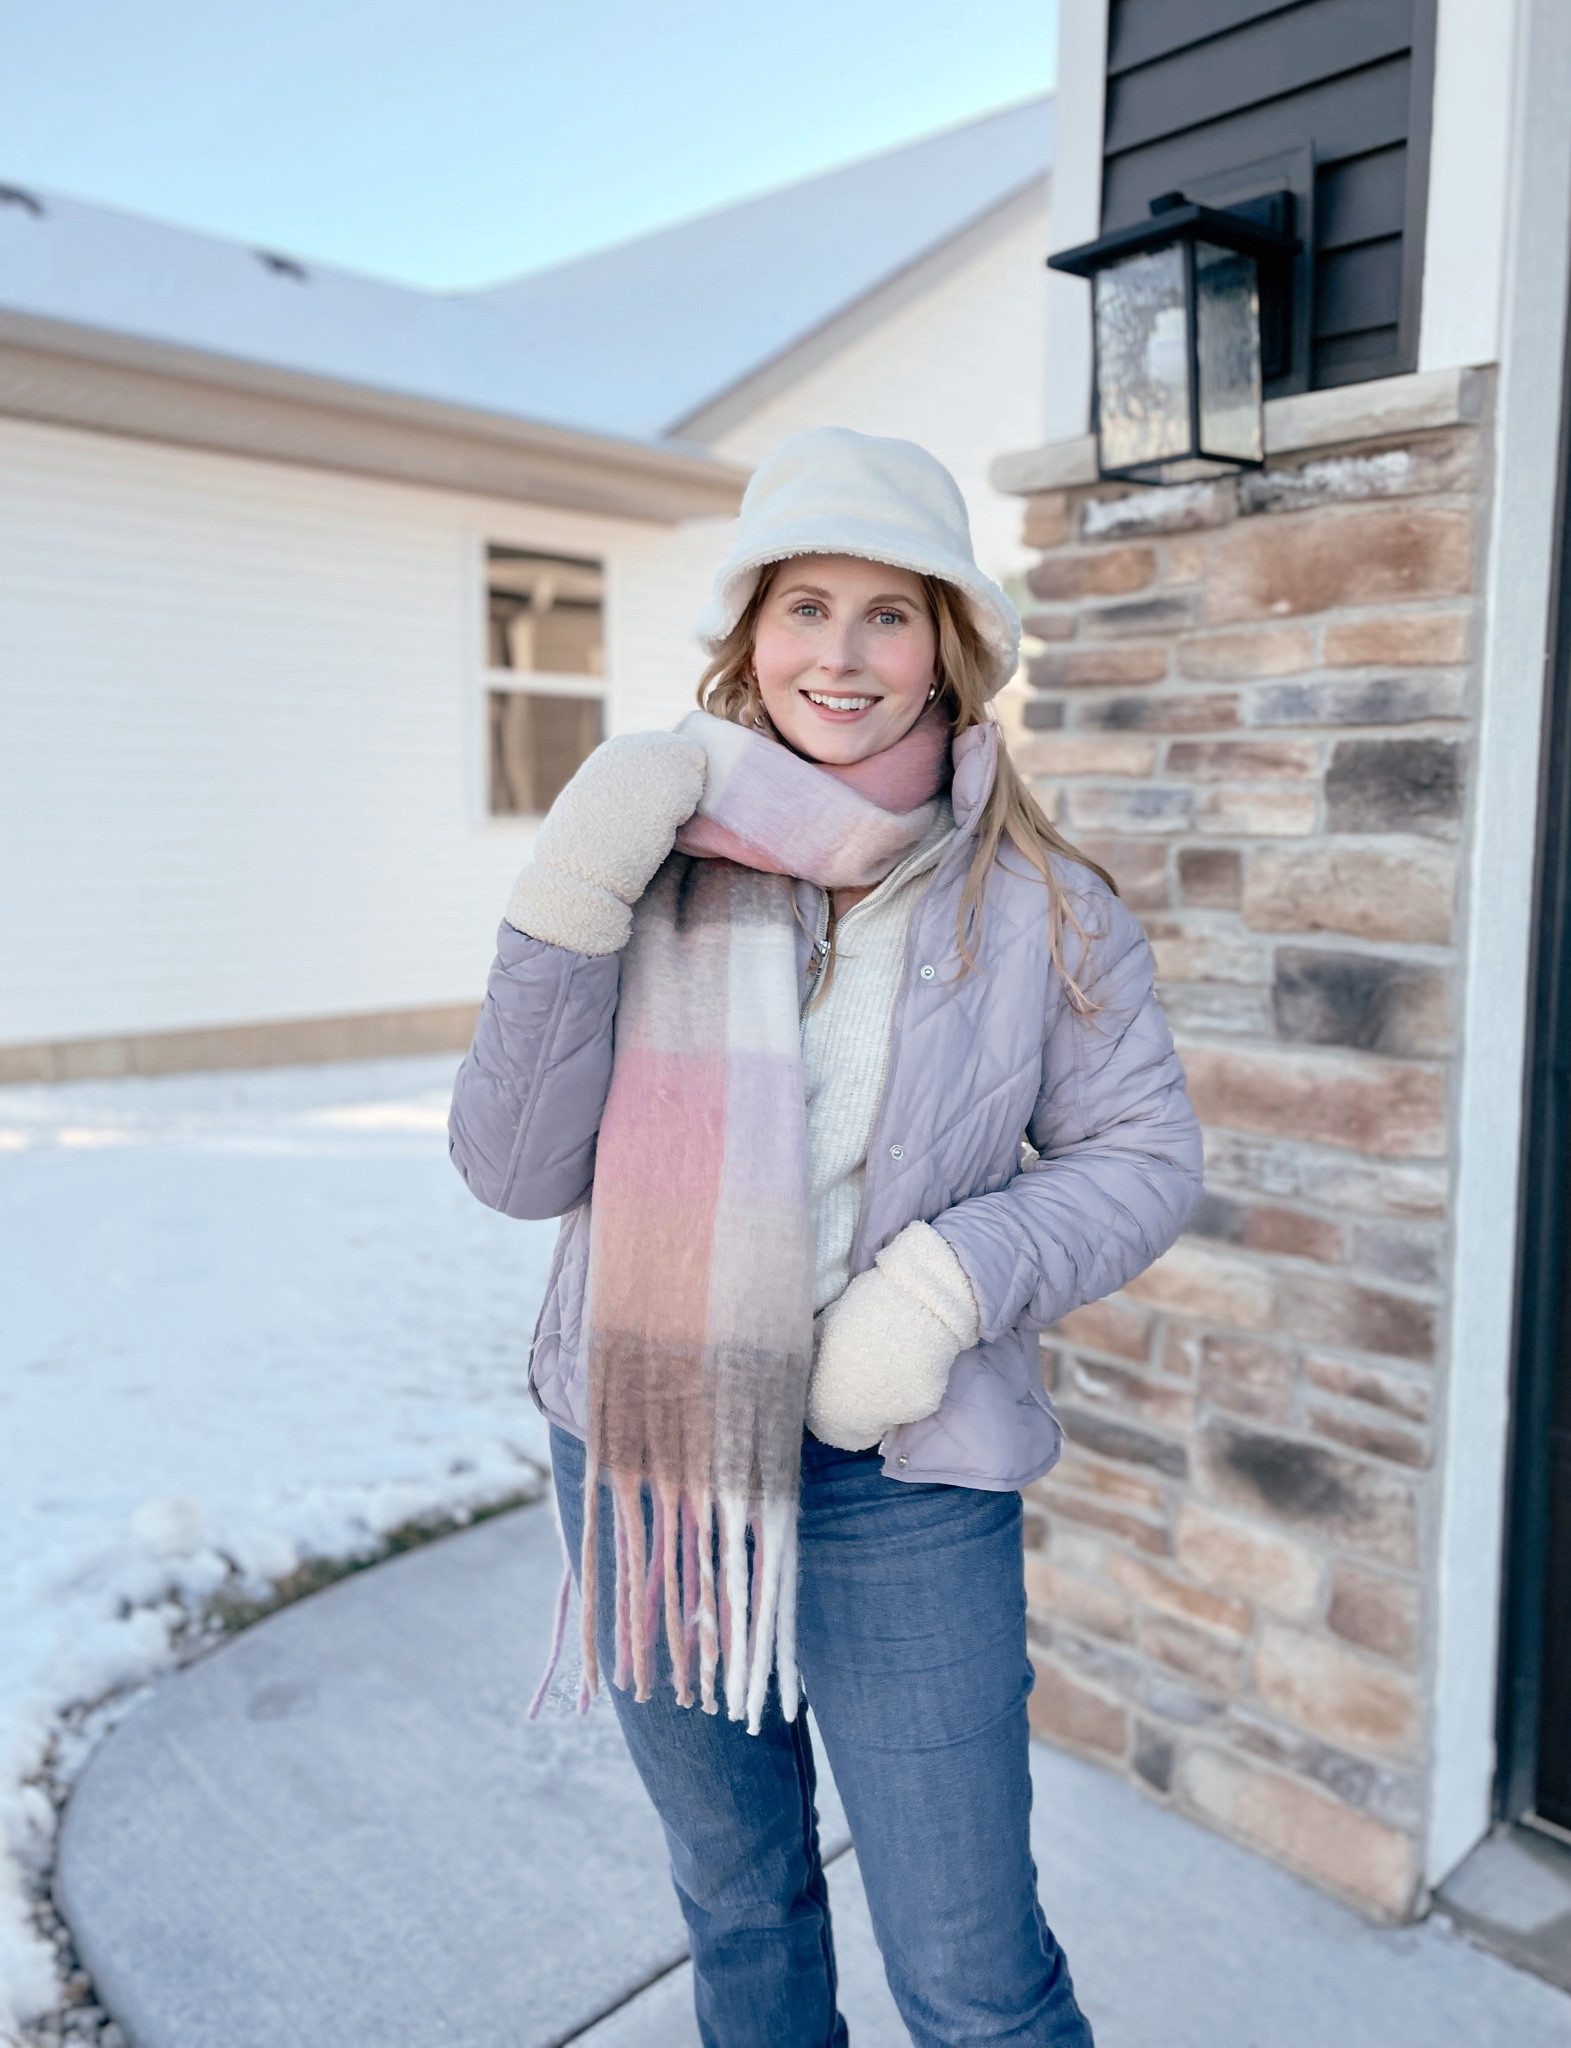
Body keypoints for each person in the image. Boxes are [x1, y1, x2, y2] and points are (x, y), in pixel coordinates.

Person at [449, 427, 1201, 2048]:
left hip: (901, 1480)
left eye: (887, 612)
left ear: (951, 646)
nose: (840, 656)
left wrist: (936, 1289)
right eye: (804, 607)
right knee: (741, 1909)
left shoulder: (1042, 906)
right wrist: (571, 885)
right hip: (649, 1453)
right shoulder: (656, 858)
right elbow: (512, 1168)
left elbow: (1141, 1159)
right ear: (750, 634)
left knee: (976, 1973)